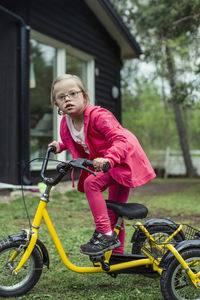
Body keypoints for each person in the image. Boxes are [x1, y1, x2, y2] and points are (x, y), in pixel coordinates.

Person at [49, 74, 156, 256]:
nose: (67, 98)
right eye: (61, 97)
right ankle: (117, 254)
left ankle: (105, 233)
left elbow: (120, 139)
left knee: (92, 183)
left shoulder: (99, 116)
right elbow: (81, 139)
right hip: (107, 162)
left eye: (73, 93)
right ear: (57, 105)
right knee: (114, 210)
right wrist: (61, 146)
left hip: (122, 158)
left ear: (84, 96)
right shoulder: (66, 124)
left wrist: (109, 159)